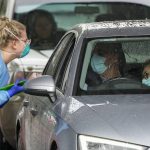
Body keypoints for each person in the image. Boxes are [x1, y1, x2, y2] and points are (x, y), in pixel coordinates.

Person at [0, 16, 30, 108]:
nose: (27, 44)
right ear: (14, 43)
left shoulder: (3, 65)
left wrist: (8, 91)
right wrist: (9, 93)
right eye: (25, 41)